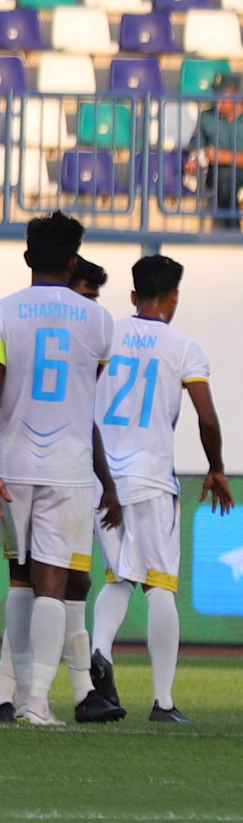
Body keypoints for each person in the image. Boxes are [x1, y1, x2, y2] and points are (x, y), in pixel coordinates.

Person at [0, 212, 122, 727]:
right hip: (70, 464)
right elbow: (89, 385)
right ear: (73, 259)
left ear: (26, 255)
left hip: (12, 461)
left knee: (20, 578)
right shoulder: (99, 320)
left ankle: (13, 698)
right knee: (54, 583)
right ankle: (37, 702)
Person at [89, 254, 231, 723]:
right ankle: (163, 701)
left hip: (103, 477)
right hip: (151, 477)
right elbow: (206, 417)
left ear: (132, 296)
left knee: (119, 576)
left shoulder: (105, 333)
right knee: (160, 585)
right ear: (174, 298)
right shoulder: (184, 348)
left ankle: (98, 651)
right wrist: (216, 467)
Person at [188, 71, 243, 228]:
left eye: (223, 97)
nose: (218, 102)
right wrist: (192, 161)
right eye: (216, 95)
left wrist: (226, 157)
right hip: (220, 173)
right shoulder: (207, 117)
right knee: (224, 179)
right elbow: (195, 148)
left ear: (235, 96)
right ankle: (234, 235)